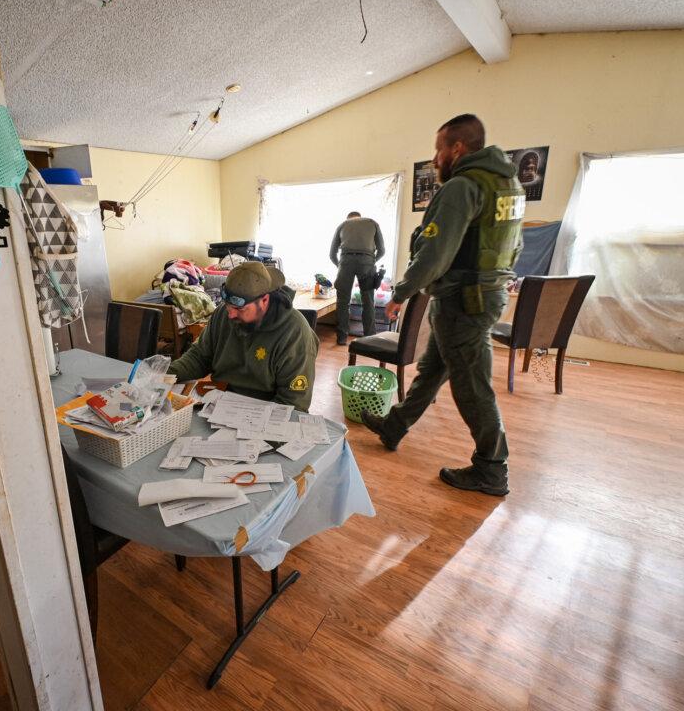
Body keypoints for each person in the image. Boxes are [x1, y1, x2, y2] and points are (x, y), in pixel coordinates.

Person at [360, 114, 525, 496]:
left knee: (472, 387)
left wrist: (400, 294)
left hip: (463, 302)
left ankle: (492, 467)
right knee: (433, 368)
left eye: (438, 150)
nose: (435, 159)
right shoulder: (507, 184)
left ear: (458, 148)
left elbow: (434, 254)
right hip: (484, 295)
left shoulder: (463, 187)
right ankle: (395, 425)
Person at [168, 261, 319, 412]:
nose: (231, 314)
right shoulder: (223, 314)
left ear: (264, 300)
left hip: (264, 411)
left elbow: (293, 403)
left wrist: (248, 421)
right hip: (219, 402)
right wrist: (164, 375)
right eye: (227, 304)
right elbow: (199, 356)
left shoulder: (295, 334)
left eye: (239, 308)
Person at [329, 211, 385, 345]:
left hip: (346, 262)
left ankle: (342, 338)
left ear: (348, 218)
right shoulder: (372, 223)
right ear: (359, 217)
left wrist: (340, 266)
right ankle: (369, 339)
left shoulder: (342, 225)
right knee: (368, 301)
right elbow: (382, 250)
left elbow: (332, 254)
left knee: (343, 302)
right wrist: (371, 261)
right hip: (367, 262)